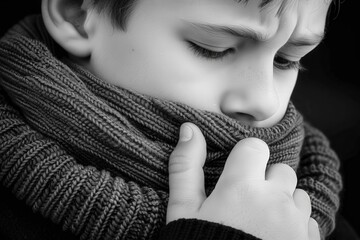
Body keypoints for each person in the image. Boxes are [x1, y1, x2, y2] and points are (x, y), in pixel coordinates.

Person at [0, 0, 343, 239]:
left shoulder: (302, 198)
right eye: (212, 48)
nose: (264, 101)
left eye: (286, 60)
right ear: (76, 14)